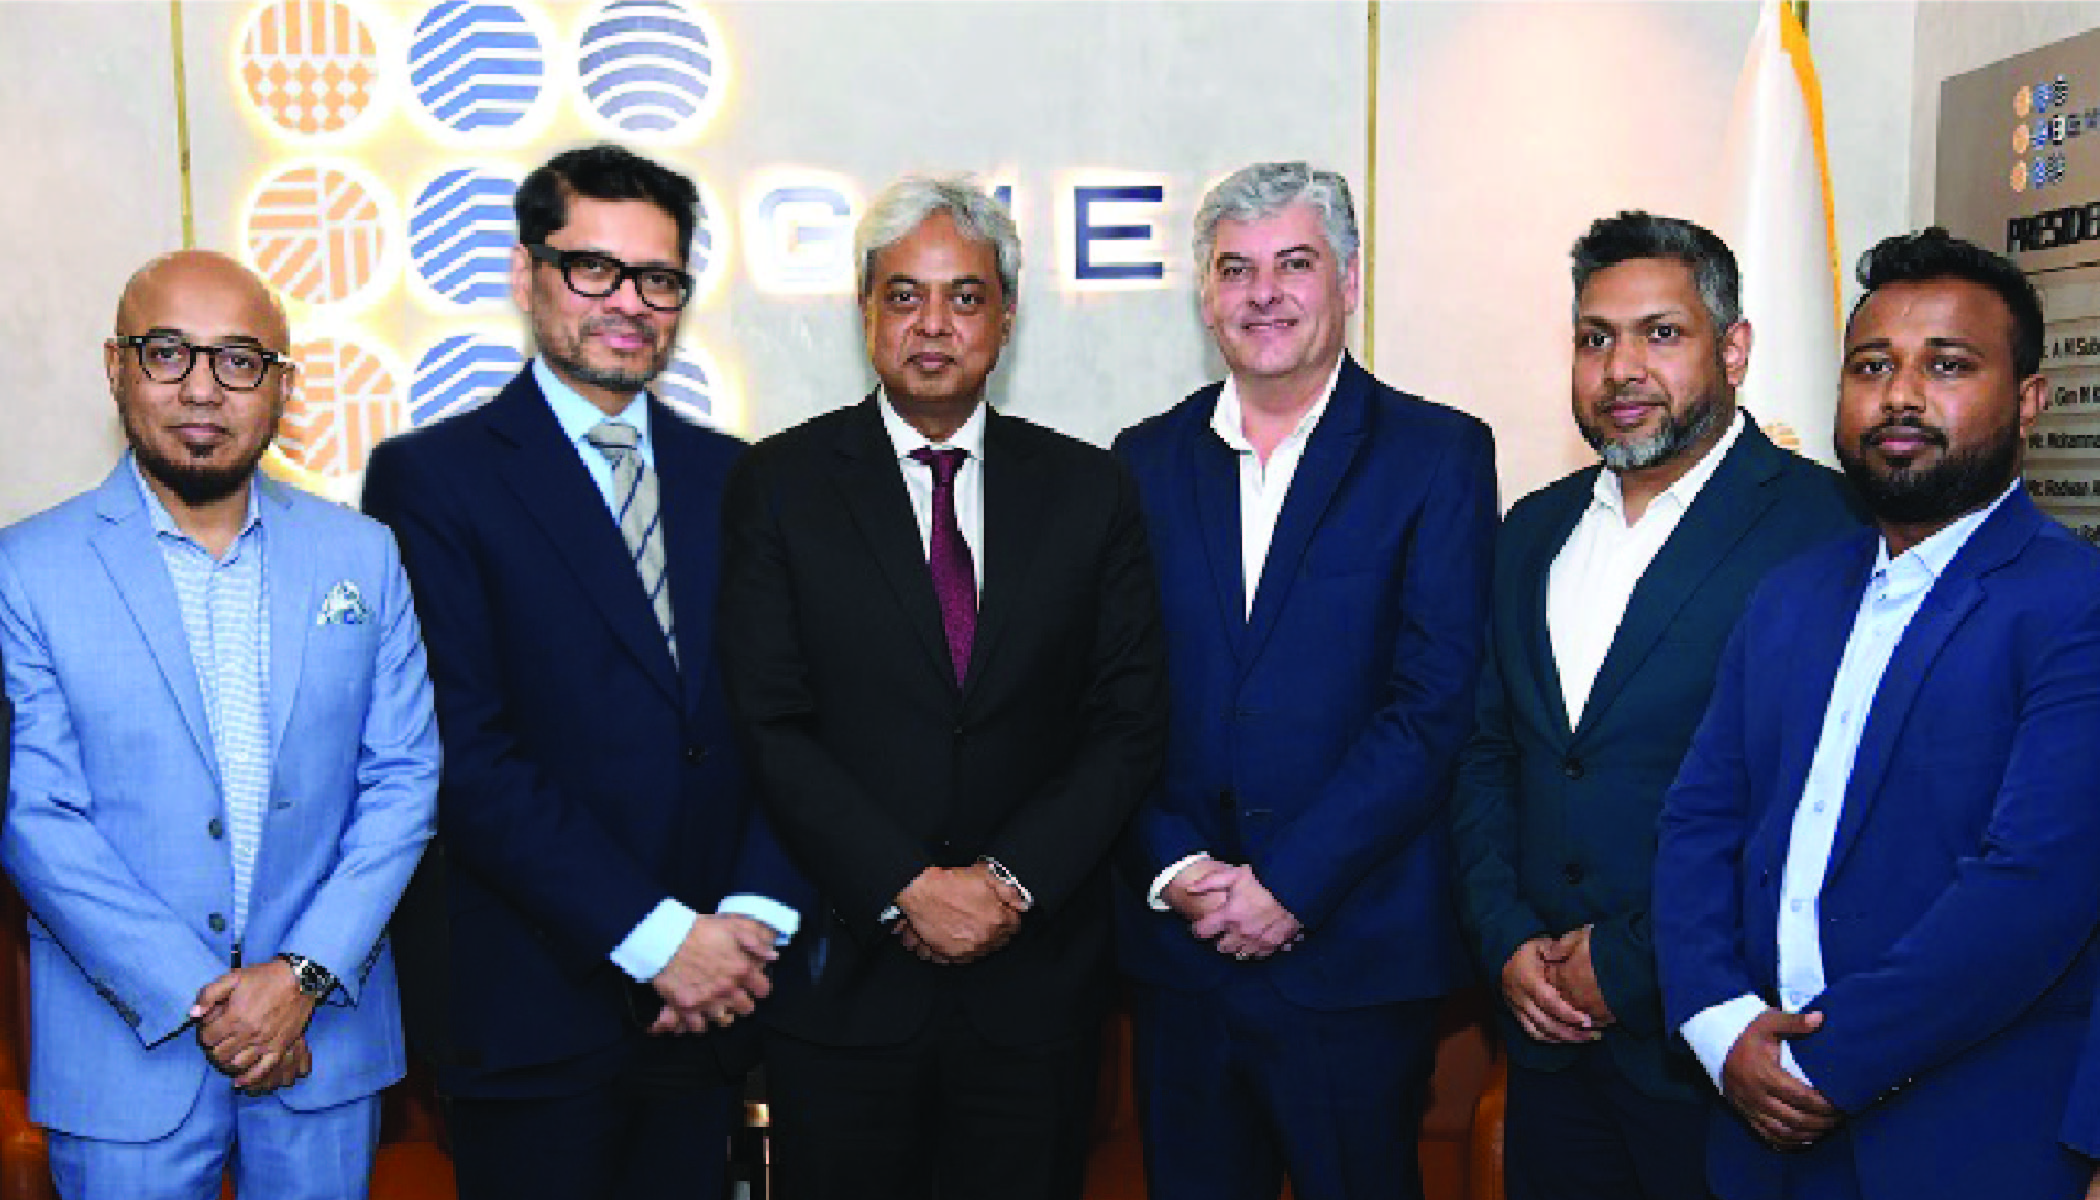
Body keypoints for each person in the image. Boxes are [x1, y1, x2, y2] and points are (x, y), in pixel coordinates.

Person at [361, 144, 802, 1200]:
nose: (629, 302)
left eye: (658, 278)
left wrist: (746, 925)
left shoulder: (735, 475)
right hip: (535, 1007)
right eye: (593, 268)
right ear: (527, 276)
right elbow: (465, 754)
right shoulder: (432, 479)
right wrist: (656, 939)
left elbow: (783, 720)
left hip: (713, 1007)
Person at [716, 174, 1167, 1200]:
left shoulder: (1089, 489)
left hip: (1034, 994)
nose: (933, 325)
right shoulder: (780, 486)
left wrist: (1009, 883)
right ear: (864, 312)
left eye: (965, 297)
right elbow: (772, 723)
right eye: (904, 295)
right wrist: (904, 885)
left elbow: (1128, 721)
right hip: (844, 989)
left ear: (1006, 317)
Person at [1654, 226, 2100, 1199]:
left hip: (1965, 1143)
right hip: (1754, 1130)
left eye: (1948, 365)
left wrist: (1821, 1064)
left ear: (2030, 400)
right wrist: (1721, 1027)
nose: (1900, 395)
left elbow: (2033, 891)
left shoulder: (2075, 605)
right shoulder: (1789, 594)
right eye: (1872, 365)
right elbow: (1699, 822)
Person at [0, 249, 438, 1198]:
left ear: (283, 386)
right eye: (168, 353)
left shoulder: (362, 556)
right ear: (116, 366)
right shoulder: (23, 570)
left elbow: (404, 781)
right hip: (123, 1050)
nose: (203, 389)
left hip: (323, 1040)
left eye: (239, 360)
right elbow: (35, 817)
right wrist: (214, 1006)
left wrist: (300, 978)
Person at [1449, 212, 1862, 1199]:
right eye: (1595, 338)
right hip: (1545, 1042)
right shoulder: (1533, 528)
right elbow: (1488, 750)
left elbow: (1813, 795)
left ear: (1735, 349)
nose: (1621, 368)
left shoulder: (1828, 527)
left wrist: (1633, 963)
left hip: (1720, 1052)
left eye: (1661, 334)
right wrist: (1504, 936)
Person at [1111, 161, 1496, 1200]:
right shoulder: (1141, 463)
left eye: (1294, 263)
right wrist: (1173, 865)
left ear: (1349, 280)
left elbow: (1433, 705)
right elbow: (1113, 699)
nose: (1263, 293)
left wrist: (1289, 884)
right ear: (1206, 296)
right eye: (1235, 269)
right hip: (1182, 954)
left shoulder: (1438, 455)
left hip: (1355, 954)